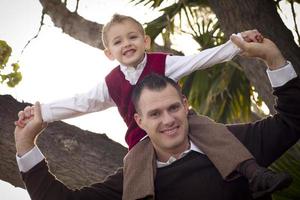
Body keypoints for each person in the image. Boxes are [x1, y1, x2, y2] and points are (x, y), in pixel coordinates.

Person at [15, 14, 285, 198]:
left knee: (214, 134)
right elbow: (80, 103)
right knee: (135, 176)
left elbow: (201, 59)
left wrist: (238, 43)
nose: (127, 44)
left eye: (133, 37)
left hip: (189, 128)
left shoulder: (163, 64)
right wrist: (41, 113)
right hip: (142, 144)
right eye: (118, 41)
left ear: (145, 41)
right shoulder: (110, 83)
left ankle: (254, 173)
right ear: (109, 53)